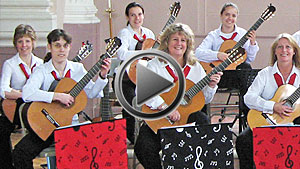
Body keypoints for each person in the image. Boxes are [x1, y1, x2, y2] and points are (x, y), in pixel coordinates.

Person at [12, 29, 111, 169]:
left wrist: (102, 76)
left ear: (70, 47)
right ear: (49, 47)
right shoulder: (42, 70)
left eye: (65, 45)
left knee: (93, 149)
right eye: (57, 45)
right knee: (20, 153)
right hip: (48, 125)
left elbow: (93, 93)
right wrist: (57, 96)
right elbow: (27, 93)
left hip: (72, 126)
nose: (61, 50)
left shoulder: (78, 69)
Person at [134, 23, 223, 169]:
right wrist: (165, 107)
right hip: (159, 118)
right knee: (143, 147)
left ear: (188, 44)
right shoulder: (155, 65)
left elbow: (204, 99)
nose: (179, 44)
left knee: (204, 124)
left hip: (187, 119)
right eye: (175, 39)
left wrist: (211, 86)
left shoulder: (195, 67)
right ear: (167, 42)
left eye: (183, 40)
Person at [236, 33, 300, 169]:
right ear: (275, 52)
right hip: (265, 122)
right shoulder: (265, 74)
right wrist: (273, 106)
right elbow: (248, 98)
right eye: (280, 47)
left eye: (288, 47)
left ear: (294, 51)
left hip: (293, 124)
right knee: (243, 141)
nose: (284, 50)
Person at [0, 24, 43, 169]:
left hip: (36, 108)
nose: (24, 45)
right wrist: (25, 94)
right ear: (15, 44)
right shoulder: (10, 64)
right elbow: (4, 90)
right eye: (20, 41)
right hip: (16, 107)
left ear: (33, 43)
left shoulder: (41, 64)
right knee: (1, 129)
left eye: (27, 41)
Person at [116, 2, 155, 144]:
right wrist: (142, 53)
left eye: (139, 14)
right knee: (131, 104)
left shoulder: (149, 33)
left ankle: (149, 133)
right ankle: (131, 136)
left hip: (143, 75)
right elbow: (121, 54)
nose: (137, 18)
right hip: (125, 77)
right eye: (133, 15)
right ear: (127, 17)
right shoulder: (124, 33)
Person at [195, 2, 259, 69]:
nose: (230, 18)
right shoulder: (213, 35)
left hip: (236, 72)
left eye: (234, 16)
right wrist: (217, 55)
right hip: (218, 72)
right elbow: (198, 53)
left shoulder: (243, 34)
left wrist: (252, 44)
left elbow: (250, 59)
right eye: (227, 15)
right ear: (221, 15)